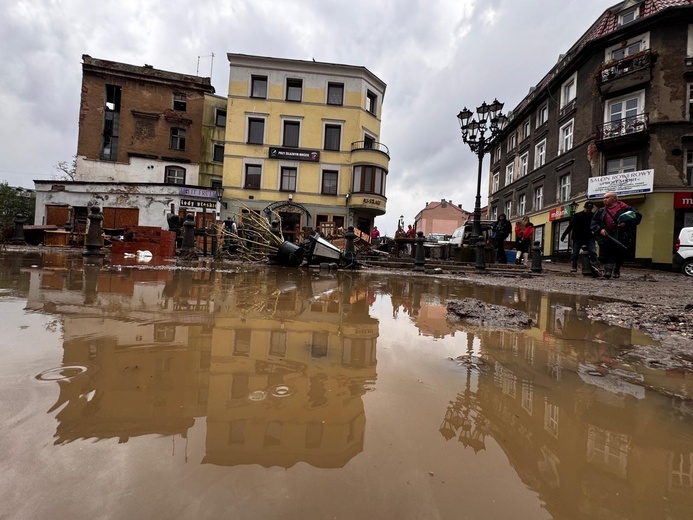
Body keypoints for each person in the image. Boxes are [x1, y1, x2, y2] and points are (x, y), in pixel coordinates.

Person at [590, 191, 642, 279]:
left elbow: (637, 217)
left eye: (607, 198)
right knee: (606, 253)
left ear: (614, 199)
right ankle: (608, 271)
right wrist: (600, 229)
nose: (604, 200)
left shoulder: (625, 208)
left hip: (621, 236)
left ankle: (617, 268)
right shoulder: (601, 211)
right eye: (604, 198)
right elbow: (594, 223)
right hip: (606, 236)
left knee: (620, 254)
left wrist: (625, 223)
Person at [561, 201, 598, 272]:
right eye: (587, 208)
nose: (588, 209)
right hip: (577, 237)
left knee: (592, 252)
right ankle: (574, 266)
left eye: (590, 208)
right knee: (575, 253)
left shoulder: (593, 216)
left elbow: (595, 226)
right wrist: (564, 235)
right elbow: (571, 226)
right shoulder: (577, 215)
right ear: (584, 207)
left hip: (589, 237)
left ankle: (595, 266)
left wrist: (596, 236)